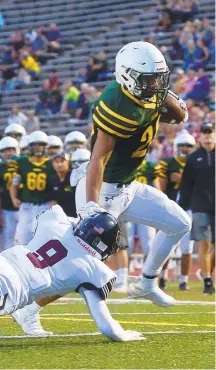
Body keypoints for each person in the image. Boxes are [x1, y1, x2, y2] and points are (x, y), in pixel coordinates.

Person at [73, 41, 191, 307]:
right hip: (103, 189)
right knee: (78, 259)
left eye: (159, 79)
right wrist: (92, 207)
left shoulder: (149, 93)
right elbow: (98, 159)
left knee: (180, 223)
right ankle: (31, 307)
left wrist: (174, 105)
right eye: (150, 80)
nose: (157, 86)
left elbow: (178, 114)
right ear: (128, 76)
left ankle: (146, 283)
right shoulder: (117, 104)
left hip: (128, 186)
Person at [0, 205, 144, 342]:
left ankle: (28, 313)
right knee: (67, 280)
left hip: (4, 262)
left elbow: (46, 219)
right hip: (12, 288)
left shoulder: (56, 222)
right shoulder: (94, 270)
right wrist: (123, 335)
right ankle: (28, 313)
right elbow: (108, 328)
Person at [178, 122, 215, 294]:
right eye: (204, 133)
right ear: (199, 136)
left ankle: (207, 272)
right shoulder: (193, 159)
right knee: (204, 244)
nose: (208, 136)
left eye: (210, 132)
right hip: (200, 206)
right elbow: (186, 184)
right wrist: (183, 206)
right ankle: (207, 281)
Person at [159, 132, 196, 290]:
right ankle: (162, 277)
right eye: (182, 145)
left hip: (189, 206)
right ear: (176, 147)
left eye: (188, 146)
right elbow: (160, 185)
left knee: (187, 247)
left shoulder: (196, 163)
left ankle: (184, 280)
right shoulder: (167, 163)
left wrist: (184, 179)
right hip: (172, 207)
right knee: (169, 244)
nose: (185, 148)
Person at [10, 131, 55, 245]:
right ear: (30, 146)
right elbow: (14, 183)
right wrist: (14, 197)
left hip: (45, 204)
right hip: (27, 205)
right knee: (23, 239)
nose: (38, 147)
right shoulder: (22, 162)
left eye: (40, 144)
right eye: (35, 145)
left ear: (46, 146)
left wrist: (54, 201)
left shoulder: (52, 163)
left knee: (44, 238)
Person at [0, 137, 19, 250]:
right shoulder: (1, 167)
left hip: (24, 206)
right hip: (7, 207)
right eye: (5, 151)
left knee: (23, 237)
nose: (8, 153)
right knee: (8, 237)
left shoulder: (23, 163)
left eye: (10, 150)